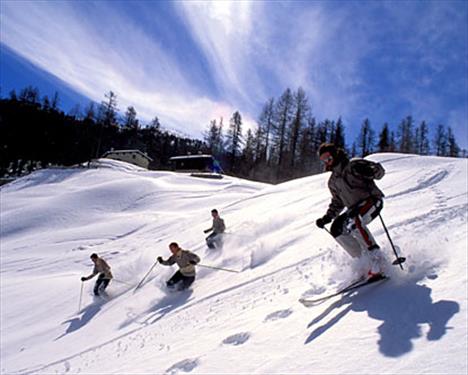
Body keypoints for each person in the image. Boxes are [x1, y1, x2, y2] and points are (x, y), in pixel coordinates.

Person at [315, 143, 386, 278]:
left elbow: (379, 172)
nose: (327, 162)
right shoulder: (333, 181)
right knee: (336, 229)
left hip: (372, 201)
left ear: (335, 154)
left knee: (354, 222)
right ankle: (363, 262)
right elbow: (337, 202)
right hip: (354, 209)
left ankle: (378, 260)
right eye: (323, 160)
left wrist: (370, 171)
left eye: (328, 158)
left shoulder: (353, 165)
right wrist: (327, 218)